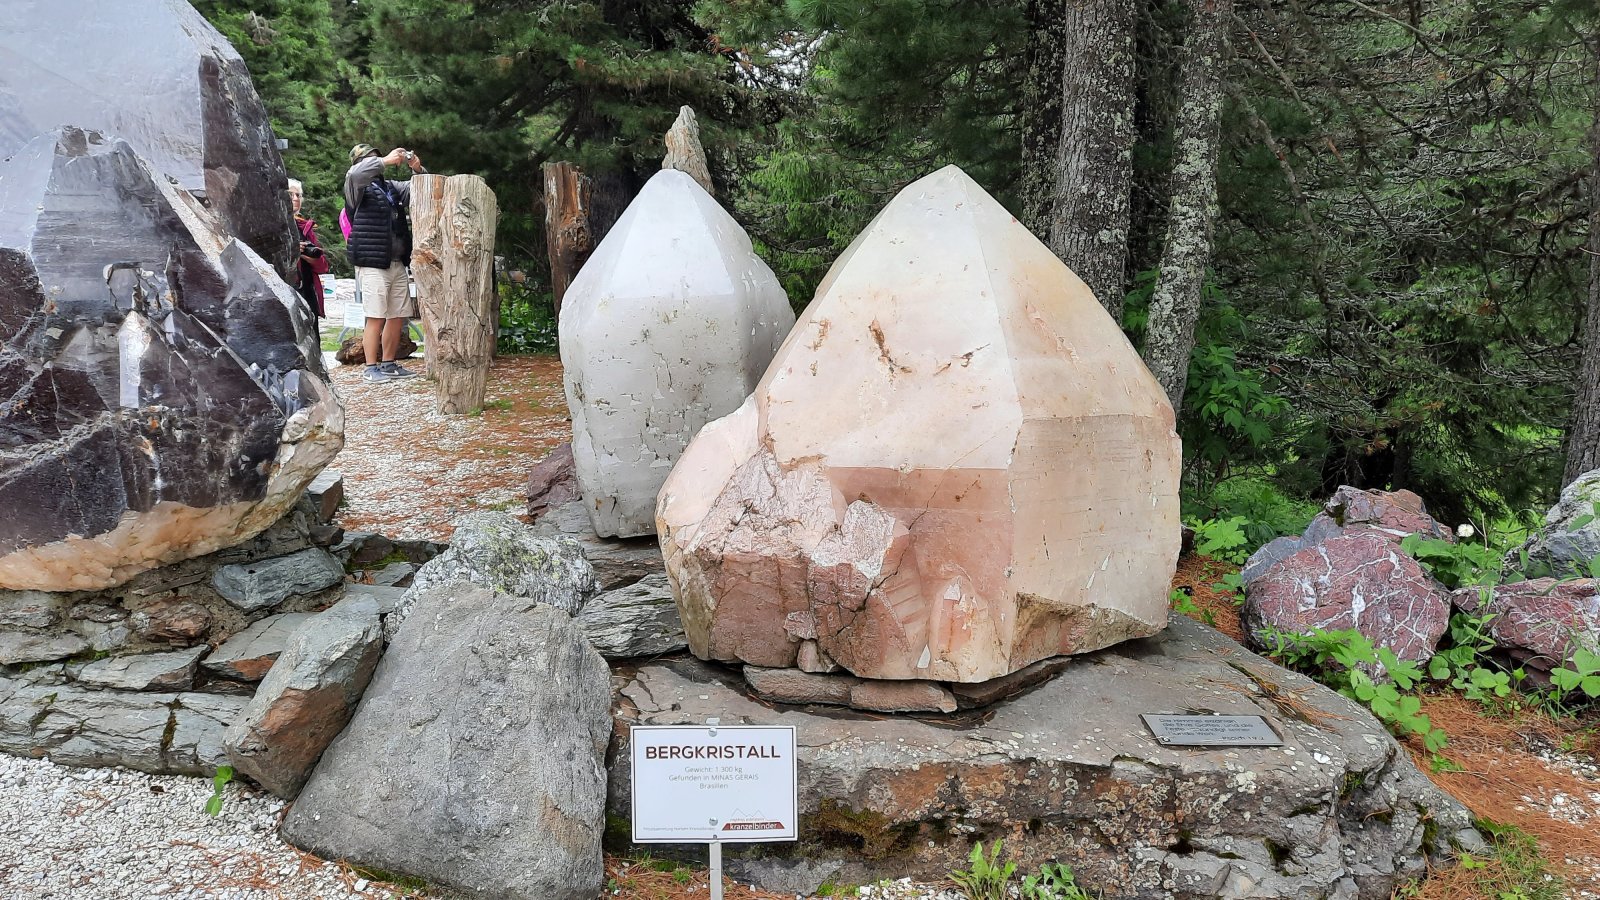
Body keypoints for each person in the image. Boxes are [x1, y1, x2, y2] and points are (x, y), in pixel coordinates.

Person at [344, 143, 426, 382]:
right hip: (372, 262)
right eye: (370, 158)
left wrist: (417, 169)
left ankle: (389, 364)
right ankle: (371, 368)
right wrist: (388, 160)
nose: (376, 161)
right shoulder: (356, 185)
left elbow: (419, 191)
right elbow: (356, 173)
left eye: (376, 157)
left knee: (397, 315)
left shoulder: (390, 188)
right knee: (376, 316)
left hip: (396, 261)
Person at [288, 179, 329, 320]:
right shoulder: (275, 226)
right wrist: (291, 249)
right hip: (288, 290)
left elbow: (323, 266)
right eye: (290, 195)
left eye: (298, 195)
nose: (295, 199)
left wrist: (307, 257)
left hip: (308, 290)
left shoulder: (305, 227)